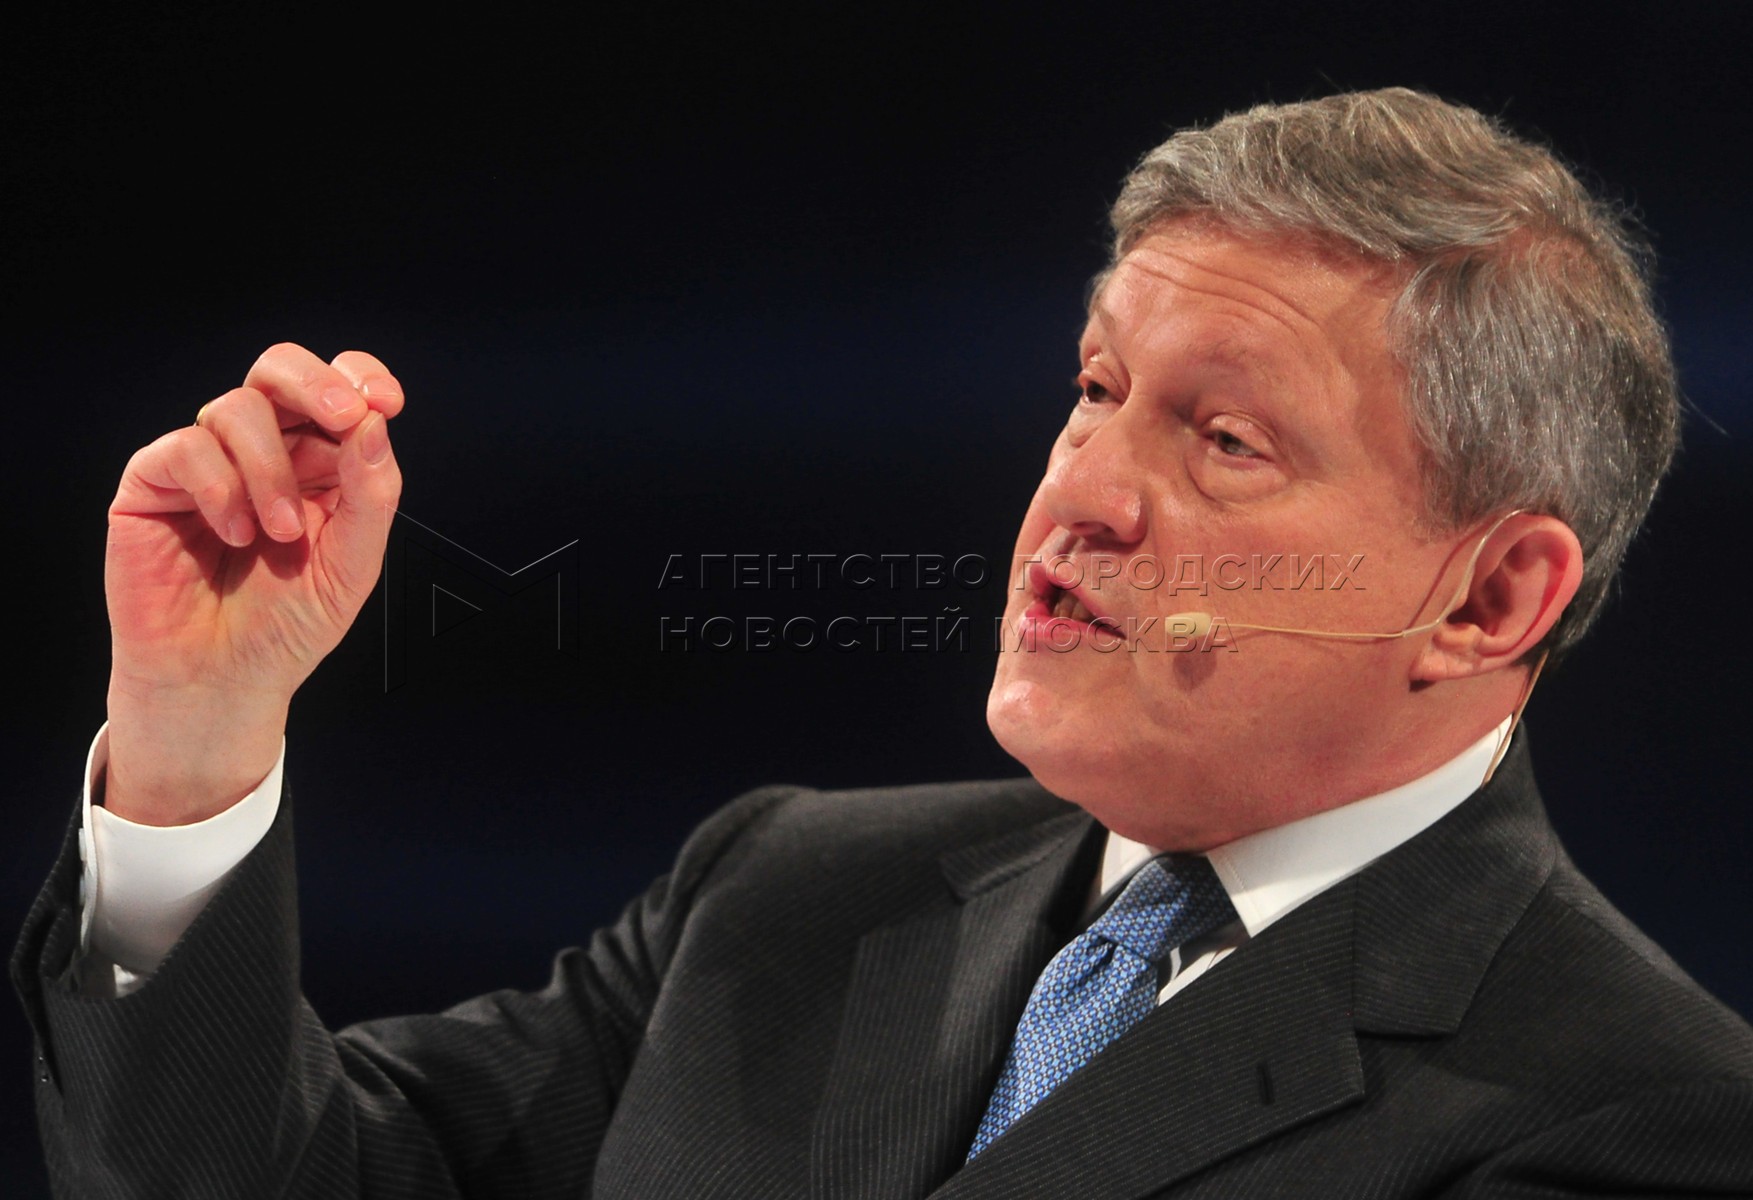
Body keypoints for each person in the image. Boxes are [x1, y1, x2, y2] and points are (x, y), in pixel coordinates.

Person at [13, 87, 1753, 1198]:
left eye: (1224, 439)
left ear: (1485, 600)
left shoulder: (1639, 1124)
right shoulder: (785, 892)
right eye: (1095, 388)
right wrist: (194, 731)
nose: (1082, 491)